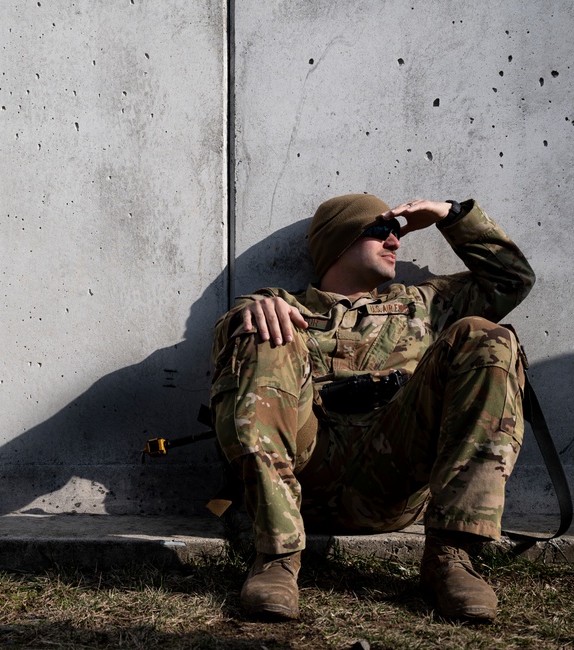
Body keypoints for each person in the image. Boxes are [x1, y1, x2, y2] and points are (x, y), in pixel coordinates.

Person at [209, 194, 534, 622]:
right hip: (305, 476)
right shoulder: (284, 305)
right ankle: (276, 558)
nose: (396, 242)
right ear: (339, 242)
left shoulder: (426, 304)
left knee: (489, 337)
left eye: (397, 233)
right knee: (262, 332)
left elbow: (511, 279)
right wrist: (251, 312)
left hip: (394, 476)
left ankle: (451, 556)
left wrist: (450, 216)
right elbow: (229, 332)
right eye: (381, 231)